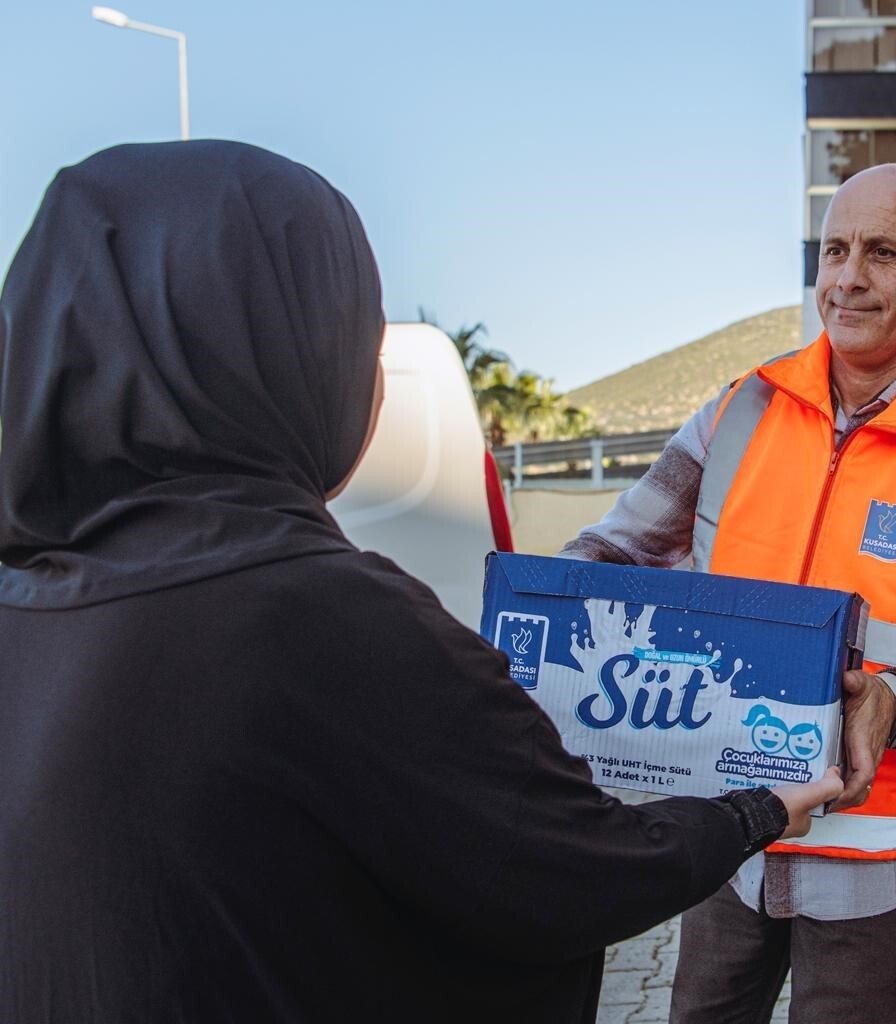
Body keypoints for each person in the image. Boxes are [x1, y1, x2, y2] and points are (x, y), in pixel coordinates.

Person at [0, 140, 842, 1024]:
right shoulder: (317, 620)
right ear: (287, 363)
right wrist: (757, 810)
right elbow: (569, 871)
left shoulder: (29, 604)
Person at [560, 163, 896, 1023]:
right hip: (730, 834)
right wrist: (529, 619)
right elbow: (614, 554)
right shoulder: (740, 410)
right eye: (834, 250)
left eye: (882, 253)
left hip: (881, 859)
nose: (848, 278)